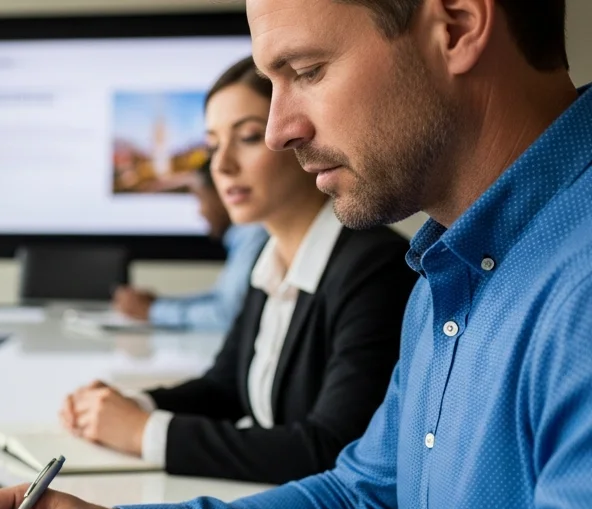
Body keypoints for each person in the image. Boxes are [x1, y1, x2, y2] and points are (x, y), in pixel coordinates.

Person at [0, 1, 591, 509]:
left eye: (306, 72)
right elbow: (370, 506)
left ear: (457, 24)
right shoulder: (450, 264)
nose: (280, 127)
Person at [62, 58, 415, 486]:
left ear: (297, 135)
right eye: (212, 145)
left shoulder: (373, 268)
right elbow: (225, 388)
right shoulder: (269, 260)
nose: (221, 165)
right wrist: (130, 406)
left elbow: (331, 447)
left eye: (247, 137)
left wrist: (144, 433)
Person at [111, 160, 269, 330]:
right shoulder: (243, 237)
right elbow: (221, 299)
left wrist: (153, 311)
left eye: (200, 198)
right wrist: (158, 304)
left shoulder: (254, 234)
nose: (200, 211)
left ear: (223, 192)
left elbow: (227, 315)